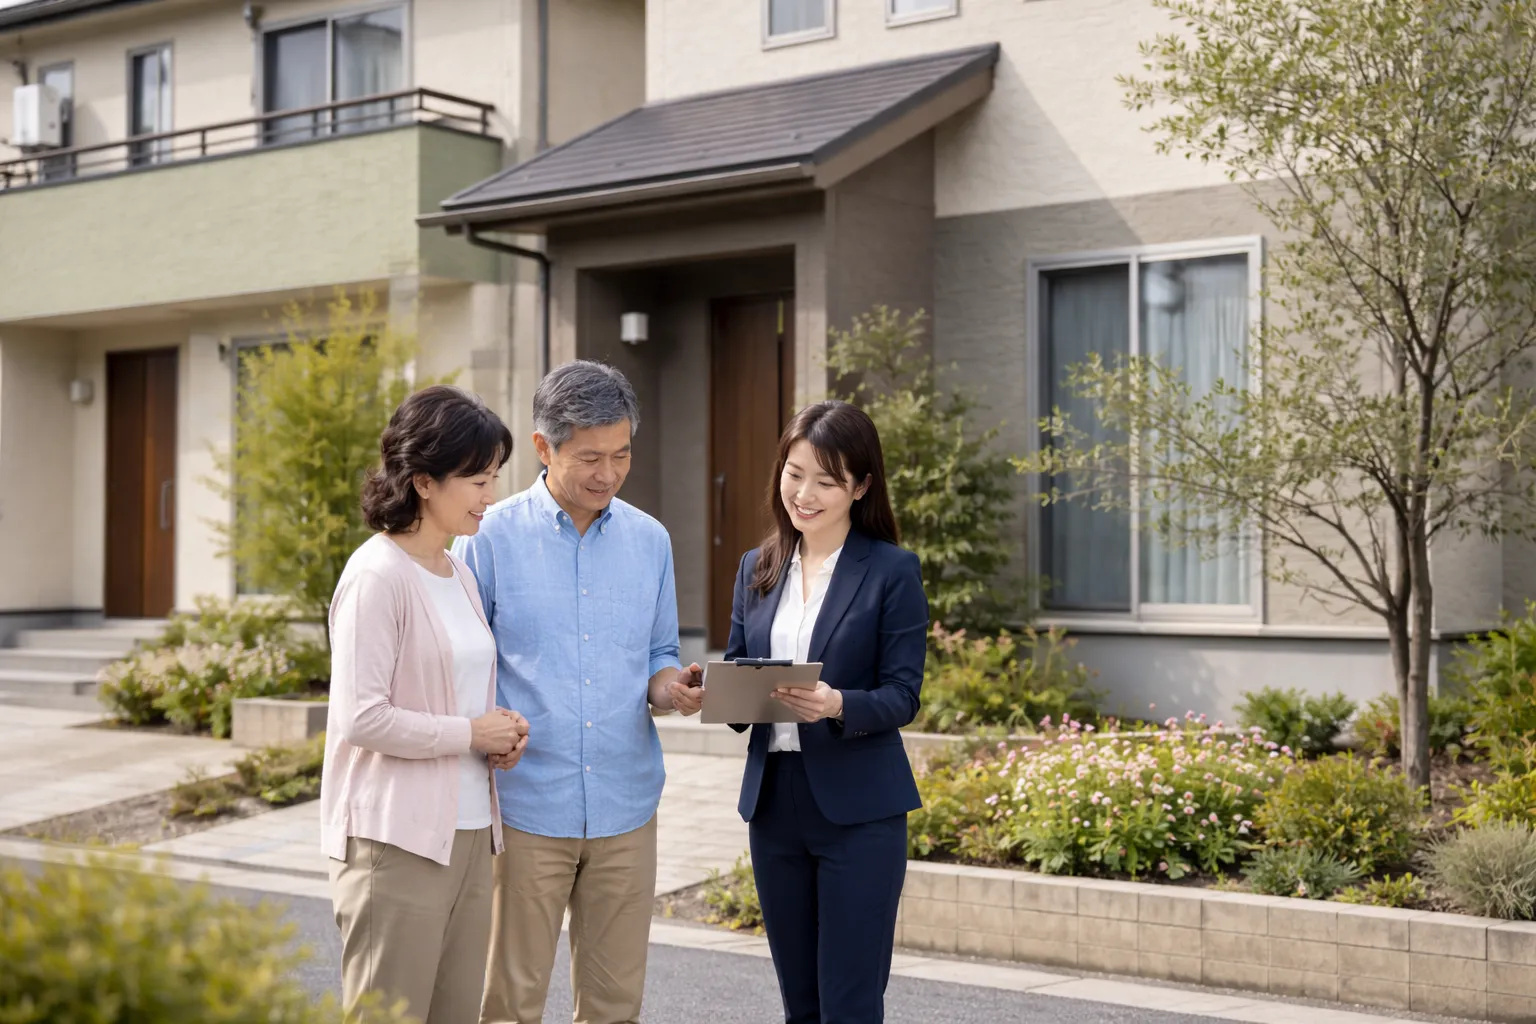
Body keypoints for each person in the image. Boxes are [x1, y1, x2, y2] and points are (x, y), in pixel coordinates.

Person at [455, 360, 703, 1024]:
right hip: (527, 806)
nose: (609, 473)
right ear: (543, 447)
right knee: (508, 1002)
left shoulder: (651, 541)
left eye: (621, 454)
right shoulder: (487, 537)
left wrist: (671, 689)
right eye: (590, 457)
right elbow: (462, 668)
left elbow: (657, 657)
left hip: (627, 805)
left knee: (616, 1006)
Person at [321, 385, 531, 1024]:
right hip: (395, 840)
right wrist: (470, 732)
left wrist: (501, 736)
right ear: (423, 482)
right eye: (476, 479)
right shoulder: (376, 575)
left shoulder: (458, 572)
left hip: (468, 833)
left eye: (493, 477)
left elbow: (460, 695)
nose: (489, 495)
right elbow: (363, 716)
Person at [719, 400, 928, 1024]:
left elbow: (903, 694)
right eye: (794, 473)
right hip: (774, 804)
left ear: (860, 486)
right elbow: (739, 670)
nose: (803, 493)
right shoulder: (757, 568)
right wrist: (715, 690)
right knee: (800, 1003)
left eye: (826, 480)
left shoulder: (891, 571)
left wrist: (839, 703)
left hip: (860, 812)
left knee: (850, 1001)